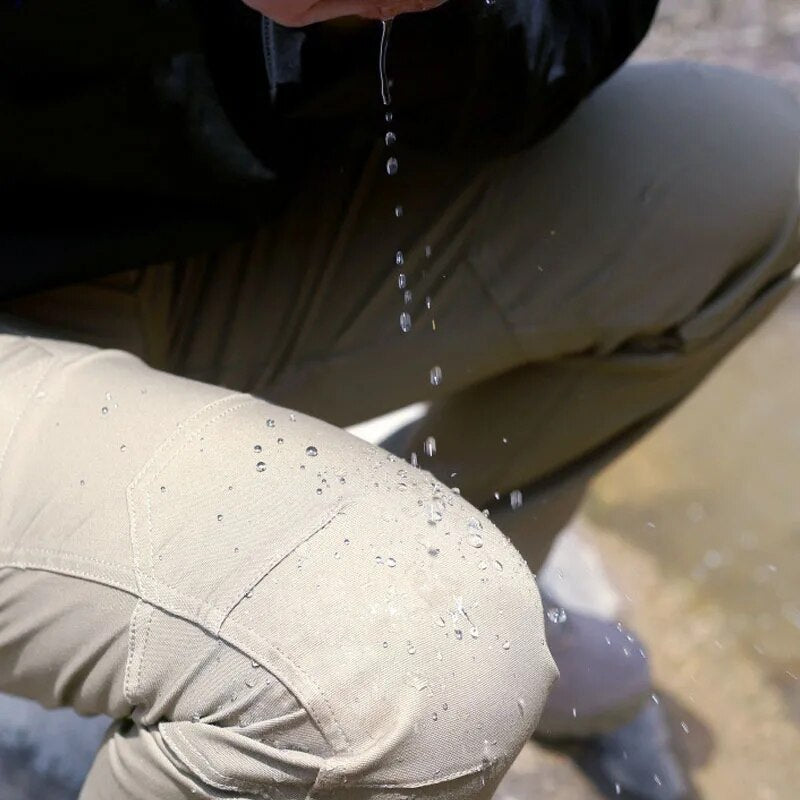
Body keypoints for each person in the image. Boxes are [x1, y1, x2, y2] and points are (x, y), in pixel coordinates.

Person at [1, 0, 799, 798]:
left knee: (756, 167)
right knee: (406, 678)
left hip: (199, 235)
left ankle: (471, 572)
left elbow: (570, 33)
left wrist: (405, 20)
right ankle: (361, 658)